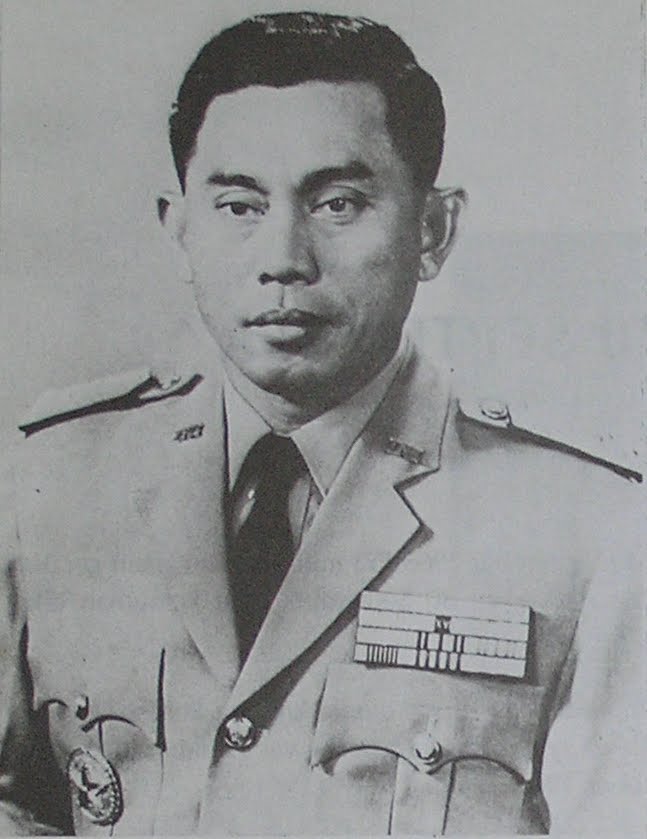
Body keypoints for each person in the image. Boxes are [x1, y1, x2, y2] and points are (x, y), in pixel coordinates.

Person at [0, 11, 642, 836]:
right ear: (178, 226)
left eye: (338, 204)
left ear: (432, 229)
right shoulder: (56, 485)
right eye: (238, 205)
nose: (283, 259)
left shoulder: (585, 524)